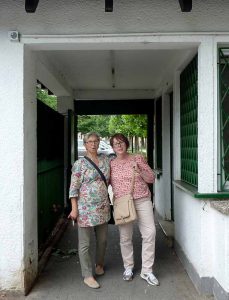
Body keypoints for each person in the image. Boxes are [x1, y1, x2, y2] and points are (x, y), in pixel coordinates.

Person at [110, 133, 159, 286]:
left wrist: (141, 172)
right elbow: (104, 182)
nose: (119, 146)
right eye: (115, 144)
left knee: (150, 233)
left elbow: (151, 178)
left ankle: (147, 270)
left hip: (142, 199)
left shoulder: (137, 158)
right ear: (112, 147)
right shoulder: (111, 163)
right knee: (125, 237)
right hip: (123, 203)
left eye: (121, 142)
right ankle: (128, 267)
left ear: (126, 143)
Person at [68, 132, 110, 289]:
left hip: (103, 207)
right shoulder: (79, 164)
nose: (93, 144)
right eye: (90, 141)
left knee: (103, 240)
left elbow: (111, 180)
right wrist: (74, 209)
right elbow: (73, 188)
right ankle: (87, 275)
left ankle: (99, 265)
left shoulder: (105, 160)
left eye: (96, 141)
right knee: (85, 244)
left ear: (99, 143)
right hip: (85, 209)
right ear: (85, 144)